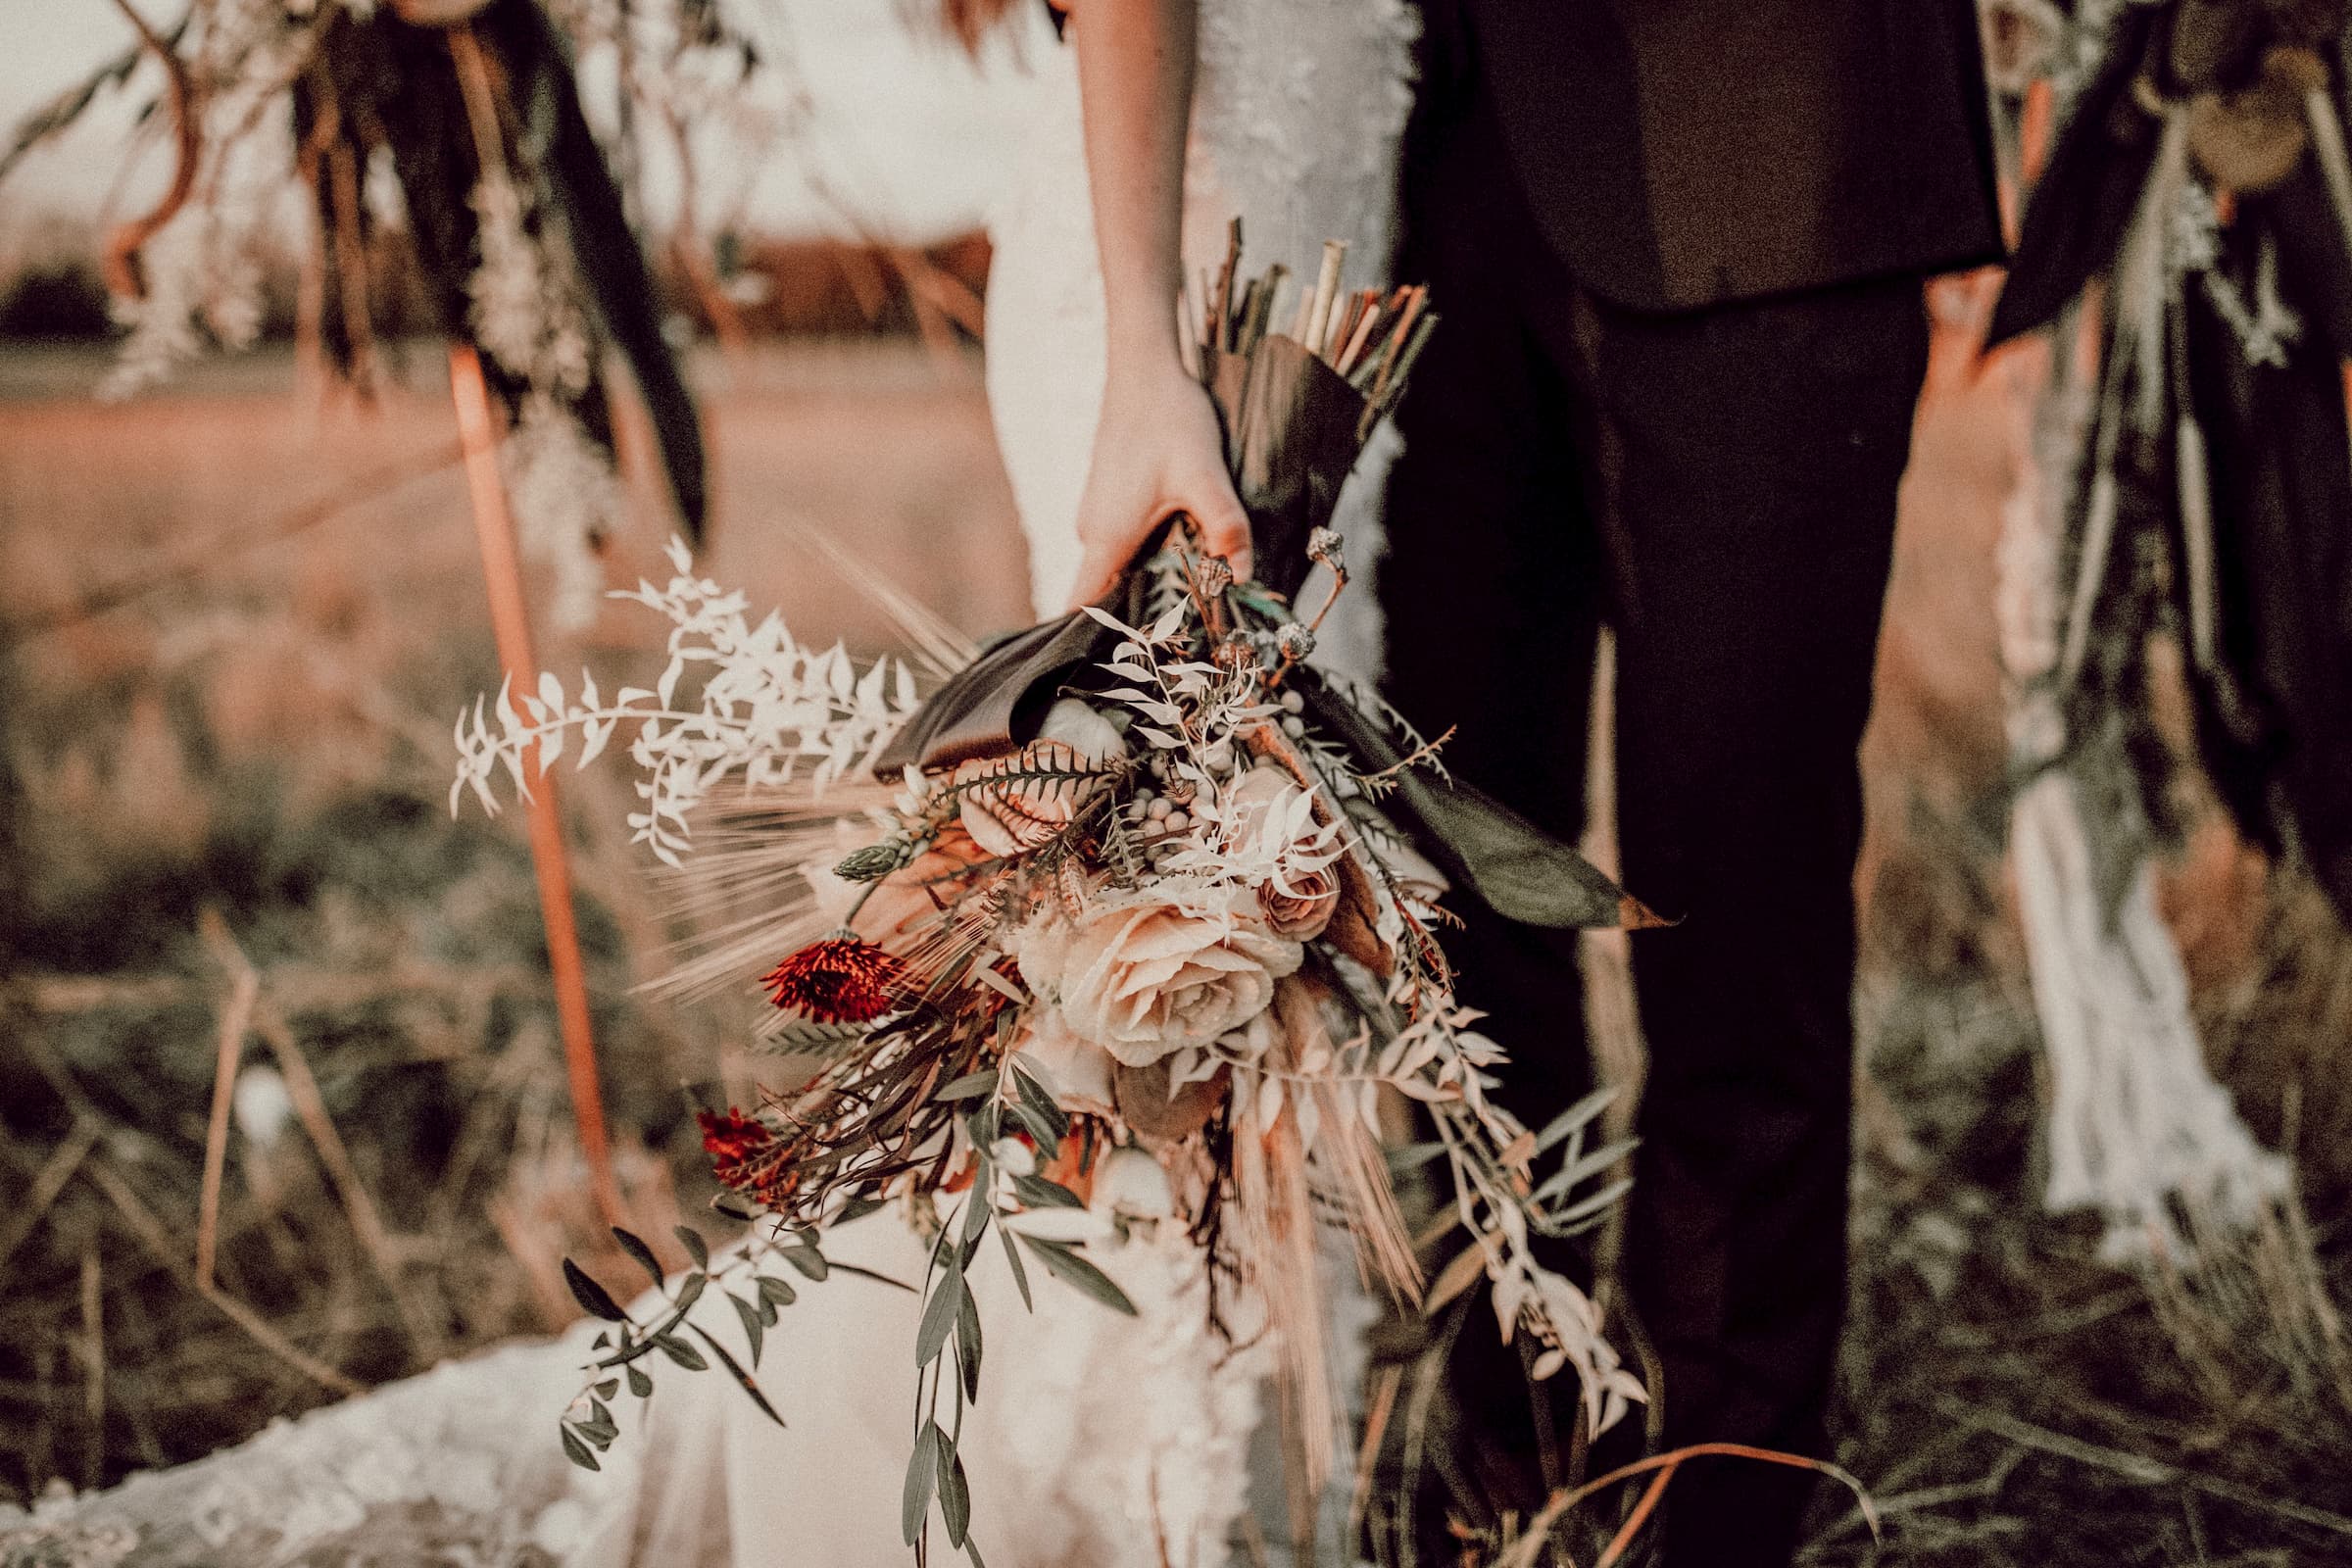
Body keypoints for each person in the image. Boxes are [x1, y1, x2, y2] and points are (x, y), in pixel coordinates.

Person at [1061, 2, 2004, 1565]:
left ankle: (1721, 1494)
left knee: (1733, 890)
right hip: (1420, 169)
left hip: (1764, 146)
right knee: (1440, 885)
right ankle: (1522, 1425)